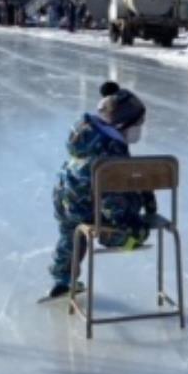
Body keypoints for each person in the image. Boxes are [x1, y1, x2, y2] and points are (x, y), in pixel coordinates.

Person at [45, 81, 156, 299]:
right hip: (90, 207)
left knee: (70, 236)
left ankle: (63, 279)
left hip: (66, 199)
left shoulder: (89, 136)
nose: (140, 129)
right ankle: (119, 238)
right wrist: (130, 222)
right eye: (138, 124)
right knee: (123, 230)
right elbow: (112, 199)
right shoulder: (111, 156)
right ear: (124, 125)